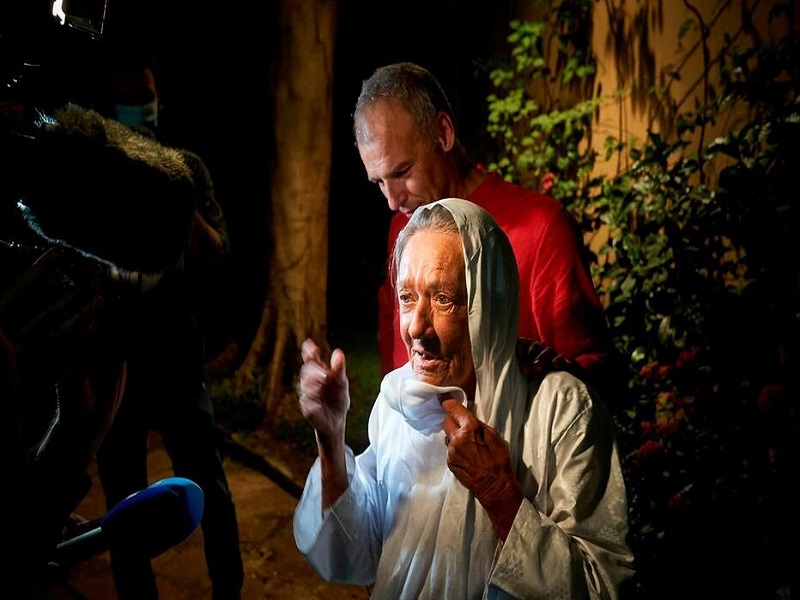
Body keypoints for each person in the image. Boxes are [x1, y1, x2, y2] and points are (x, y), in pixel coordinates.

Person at [293, 198, 635, 598]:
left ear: (488, 305)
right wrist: (331, 439)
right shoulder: (398, 403)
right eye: (406, 297)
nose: (416, 327)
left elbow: (604, 588)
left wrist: (500, 495)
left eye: (443, 299)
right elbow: (357, 555)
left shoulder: (560, 412)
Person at [353, 62, 618, 398]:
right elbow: (395, 369)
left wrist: (551, 376)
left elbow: (598, 375)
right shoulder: (403, 227)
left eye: (402, 171)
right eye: (379, 181)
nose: (392, 200)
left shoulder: (542, 228)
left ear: (443, 133)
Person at [89, 42, 244, 600]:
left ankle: (229, 590)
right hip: (114, 365)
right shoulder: (96, 170)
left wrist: (176, 197)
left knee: (210, 489)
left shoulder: (185, 168)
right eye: (126, 100)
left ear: (159, 98)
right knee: (126, 503)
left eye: (145, 97)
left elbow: (218, 253)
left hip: (177, 360)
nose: (138, 109)